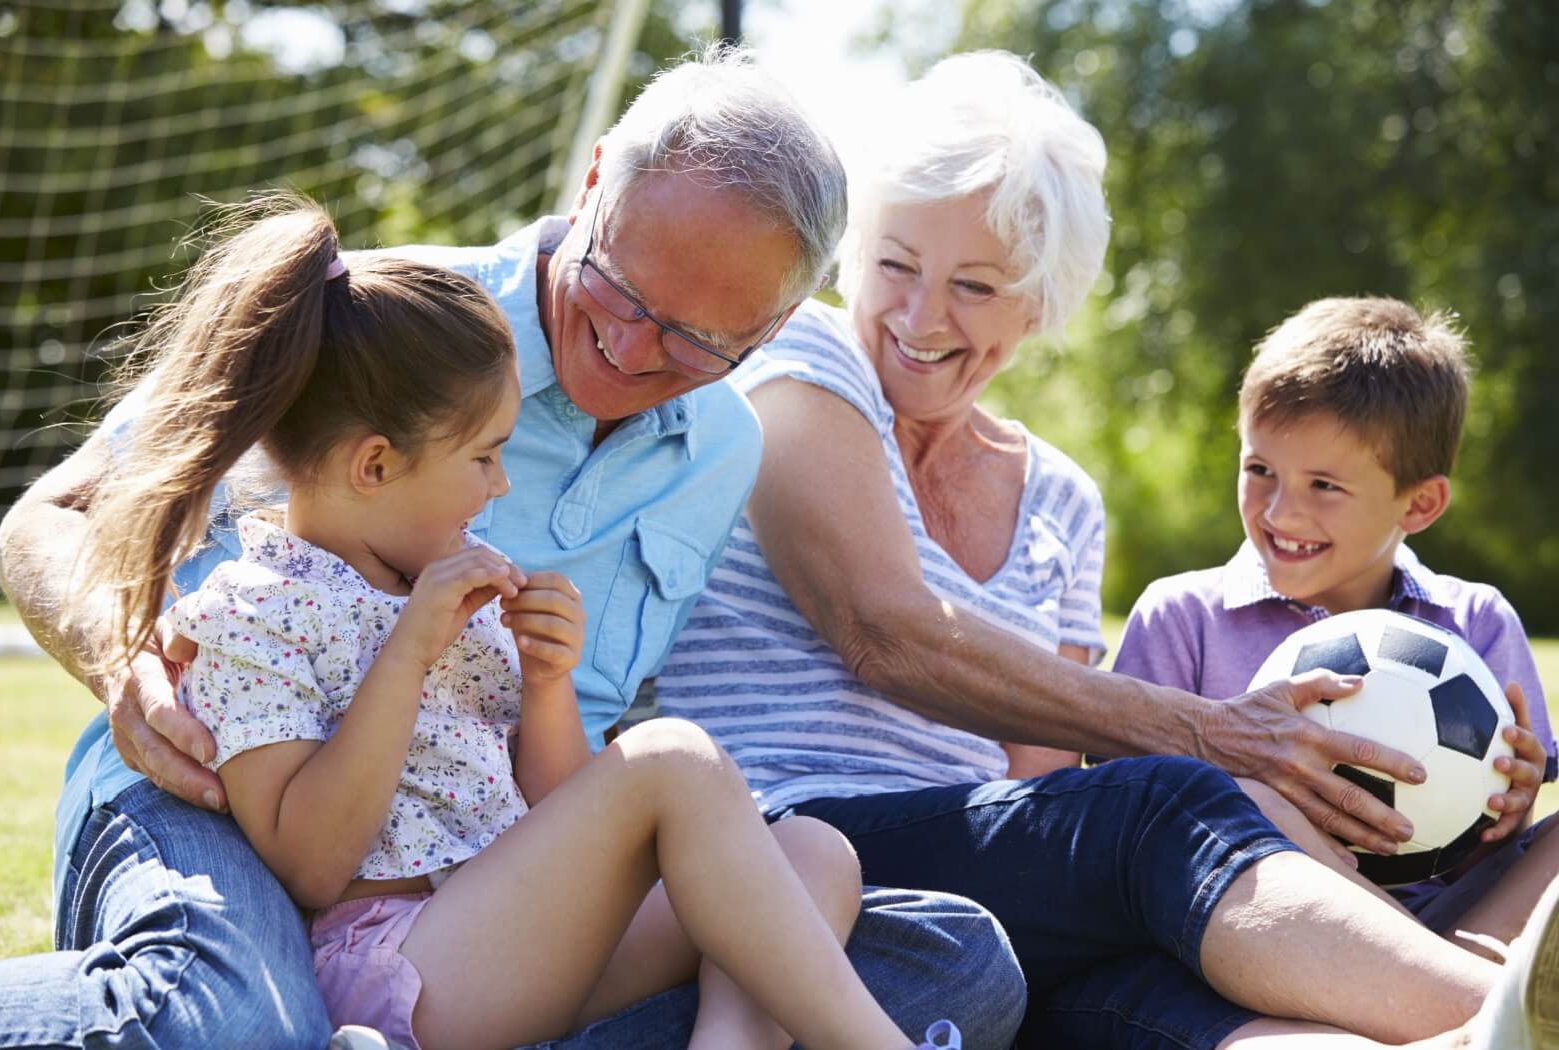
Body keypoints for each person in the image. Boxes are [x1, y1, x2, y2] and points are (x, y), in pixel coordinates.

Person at [0, 47, 1022, 1050]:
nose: (633, 346)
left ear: (782, 320)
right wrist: (124, 659)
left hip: (491, 876)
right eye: (624, 290)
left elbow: (562, 780)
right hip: (213, 796)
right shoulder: (375, 328)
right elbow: (44, 520)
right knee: (236, 1020)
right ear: (596, 180)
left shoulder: (721, 450)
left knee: (934, 940)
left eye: (703, 340)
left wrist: (550, 686)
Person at [655, 51, 1559, 1047]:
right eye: (894, 266)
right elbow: (883, 632)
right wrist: (1207, 734)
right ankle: (1492, 1019)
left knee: (1192, 1001)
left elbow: (1041, 796)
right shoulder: (803, 359)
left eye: (975, 286)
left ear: (1038, 302)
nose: (920, 316)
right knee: (1161, 806)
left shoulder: (1060, 501)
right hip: (784, 841)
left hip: (971, 874)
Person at [1112, 295, 1558, 951]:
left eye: (1324, 485)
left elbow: (1507, 831)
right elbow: (1129, 810)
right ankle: (1442, 987)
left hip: (1455, 918)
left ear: (1422, 503)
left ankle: (1461, 976)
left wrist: (1511, 802)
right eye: (1259, 469)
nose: (1281, 513)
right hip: (1272, 920)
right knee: (1254, 808)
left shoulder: (1475, 619)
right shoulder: (1183, 618)